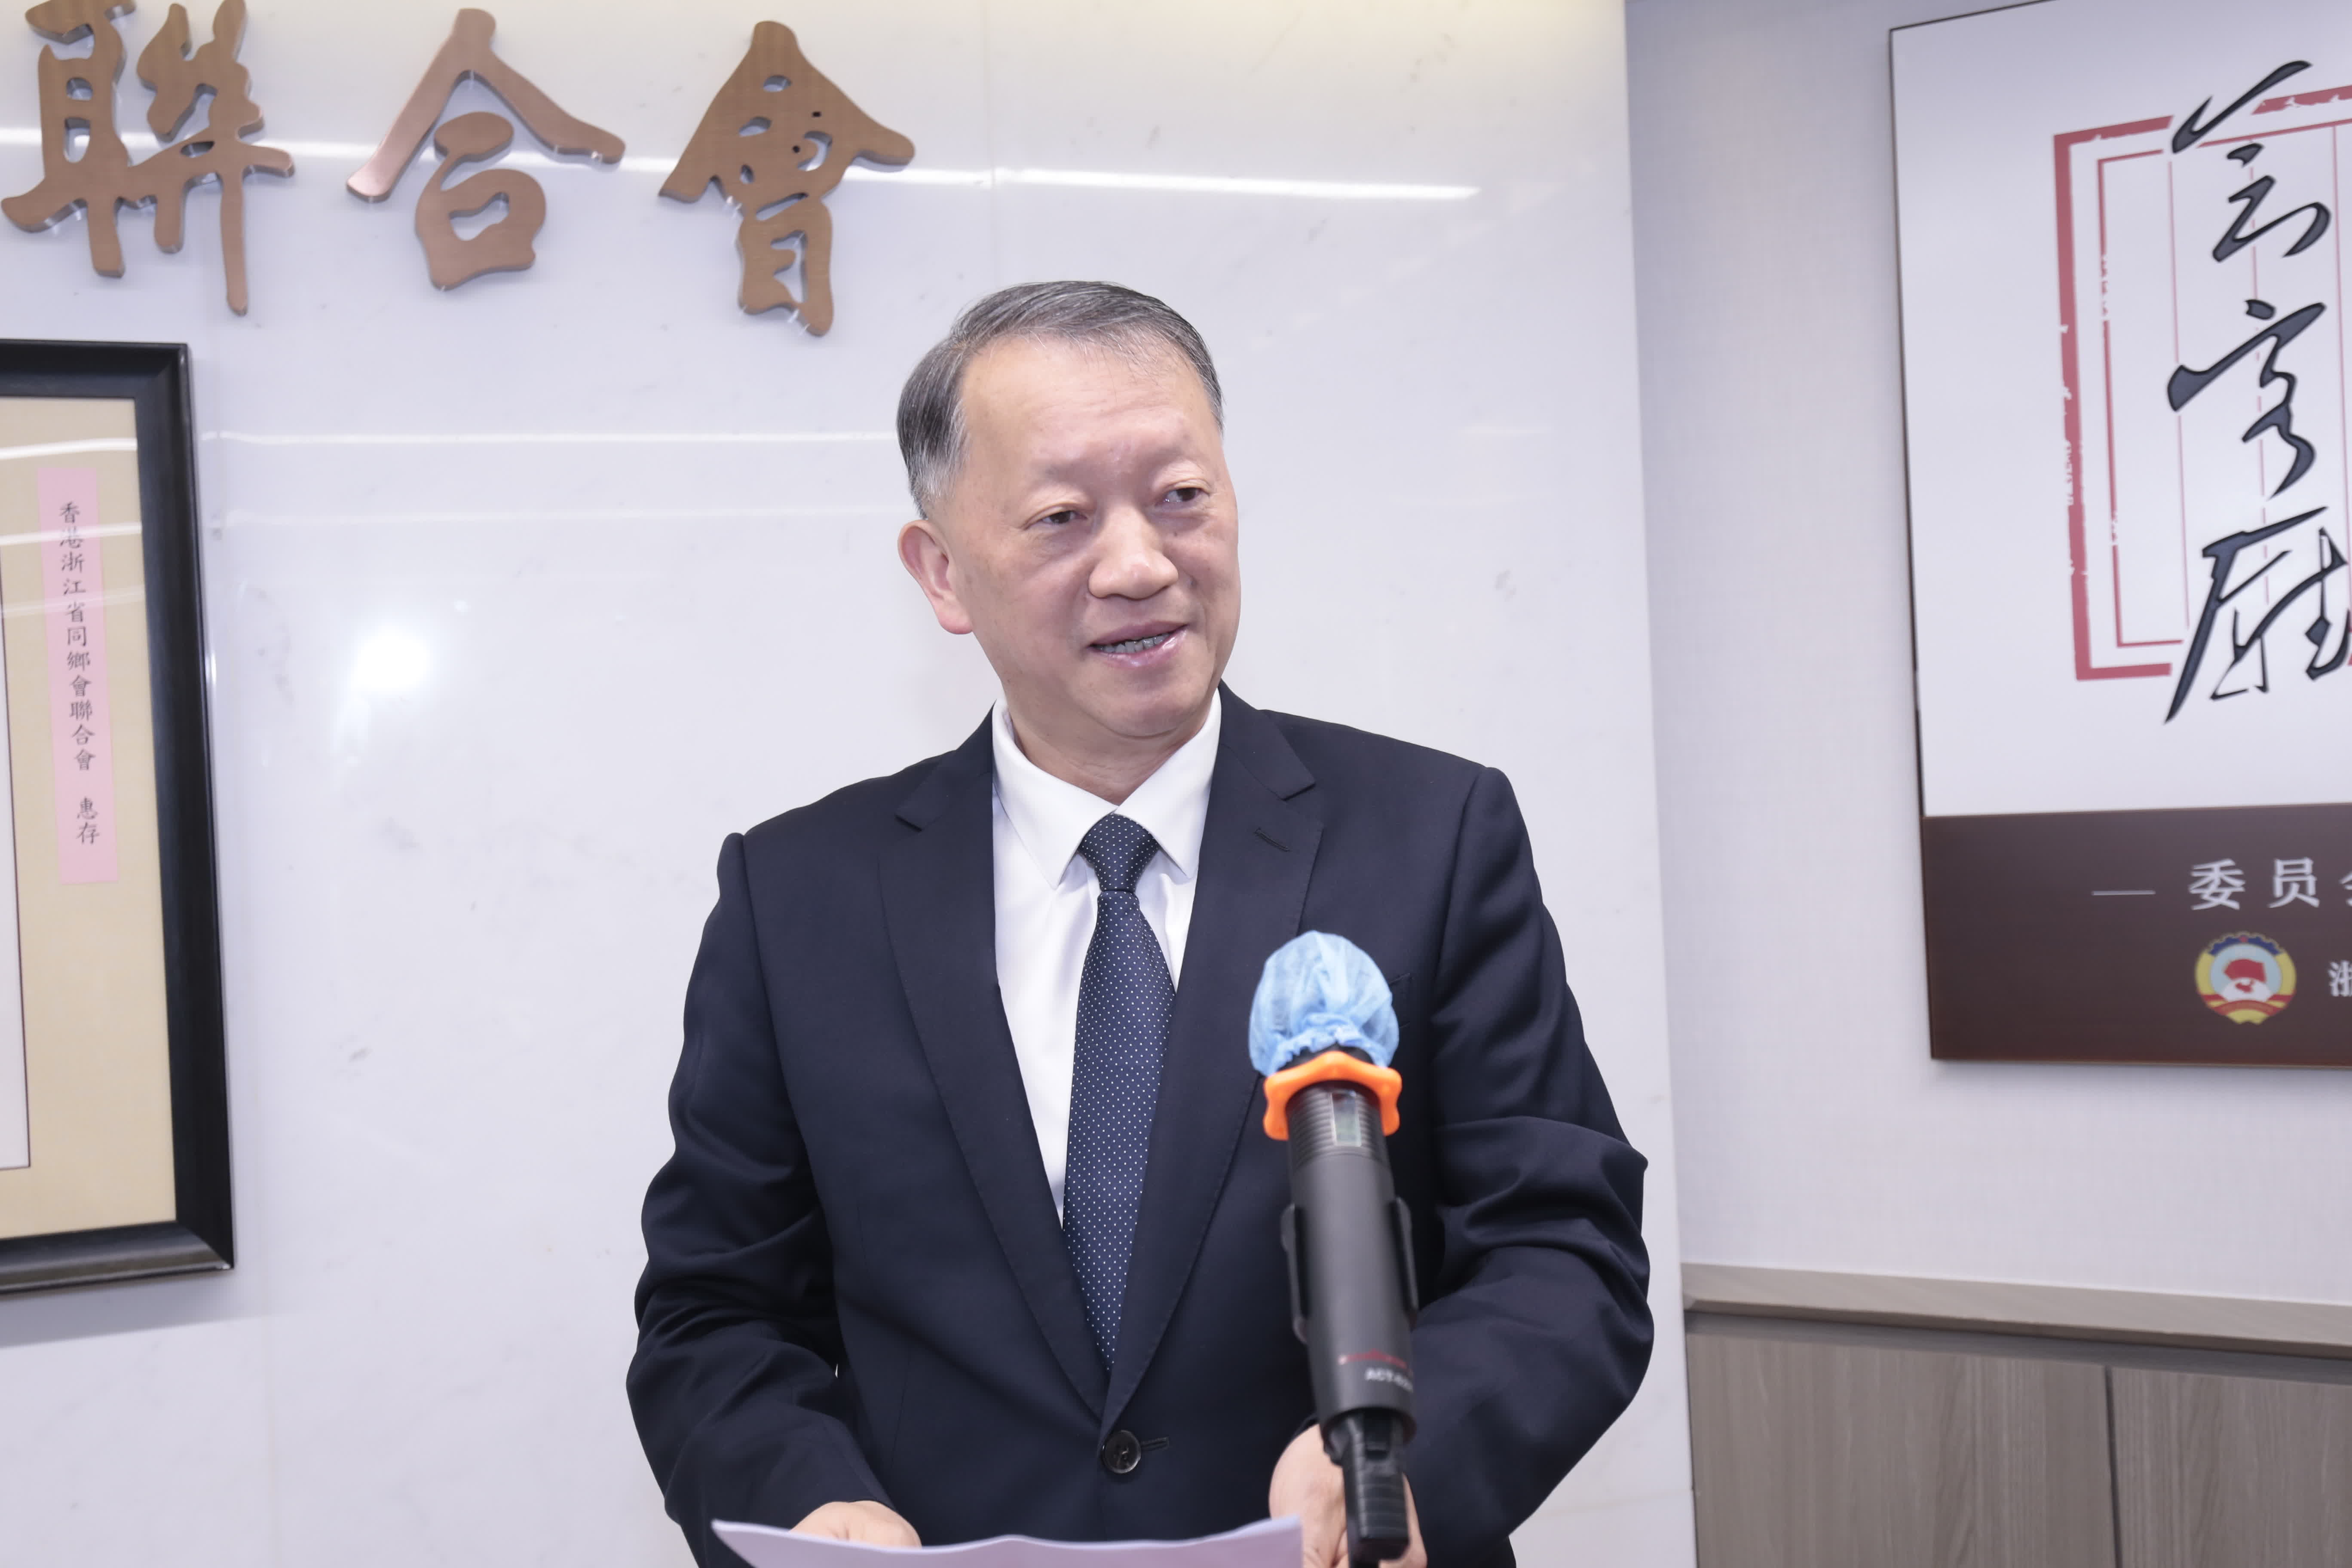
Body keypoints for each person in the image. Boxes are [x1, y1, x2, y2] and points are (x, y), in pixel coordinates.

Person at [628, 282, 1651, 1568]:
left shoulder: (1431, 837)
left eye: (1180, 497)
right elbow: (717, 1314)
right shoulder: (800, 897)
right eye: (1063, 518)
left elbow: (1562, 1246)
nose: (1140, 566)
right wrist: (812, 1507)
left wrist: (1399, 1456)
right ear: (942, 572)